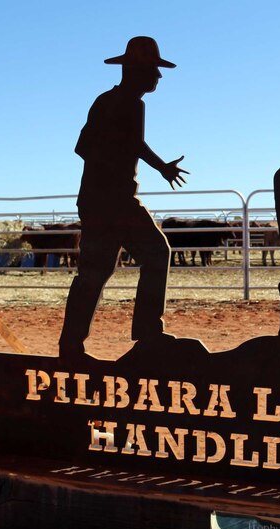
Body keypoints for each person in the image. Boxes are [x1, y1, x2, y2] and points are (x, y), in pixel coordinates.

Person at [59, 36, 188, 357]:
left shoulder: (106, 101)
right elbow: (126, 145)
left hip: (99, 200)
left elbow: (85, 146)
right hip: (114, 201)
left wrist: (154, 167)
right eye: (154, 70)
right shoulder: (130, 104)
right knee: (156, 252)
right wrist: (139, 168)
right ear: (136, 71)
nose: (158, 77)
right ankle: (147, 333)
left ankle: (71, 346)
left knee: (95, 271)